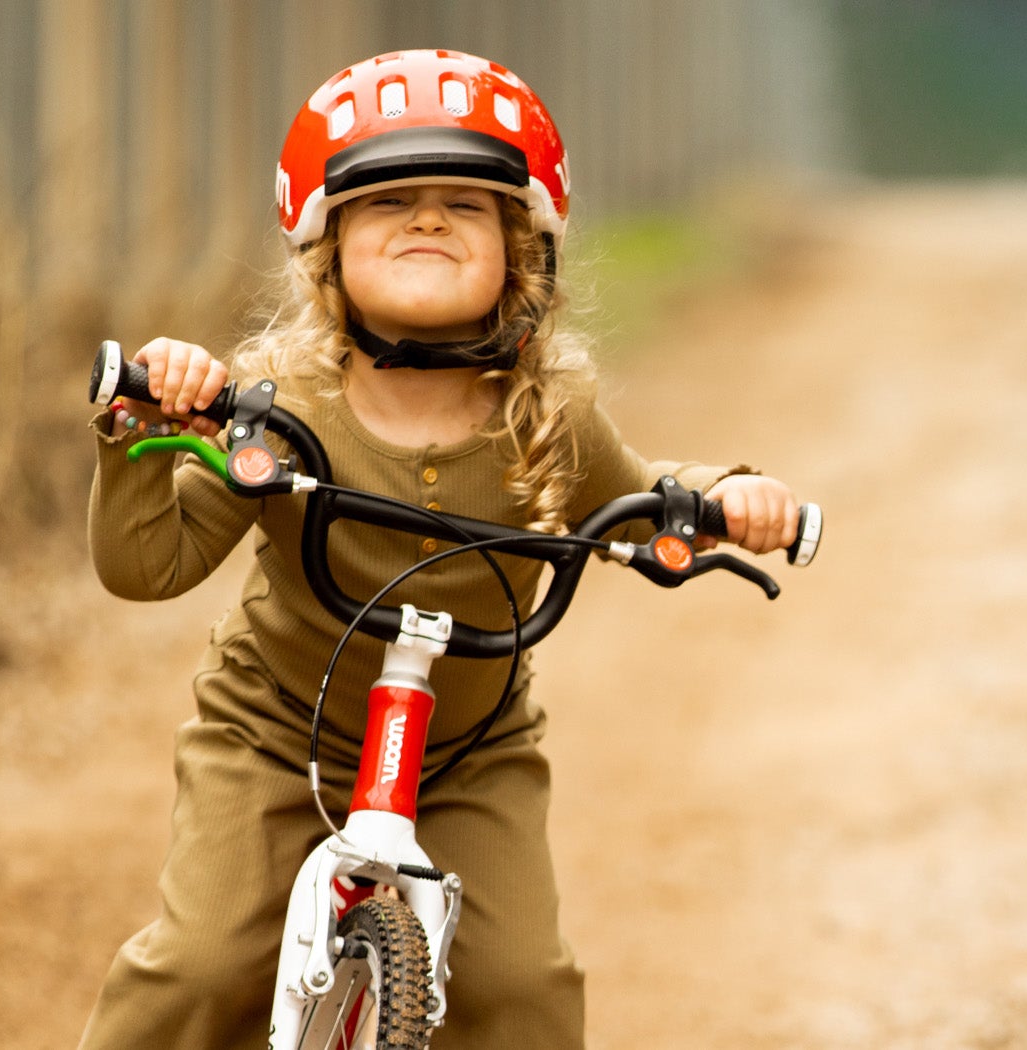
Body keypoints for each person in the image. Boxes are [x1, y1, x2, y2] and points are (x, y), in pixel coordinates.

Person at [77, 50, 800, 1050]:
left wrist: (722, 496)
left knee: (522, 990)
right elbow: (143, 567)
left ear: (523, 250)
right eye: (390, 203)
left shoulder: (546, 416)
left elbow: (632, 498)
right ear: (324, 248)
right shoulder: (274, 407)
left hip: (470, 751)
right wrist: (136, 433)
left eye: (464, 205)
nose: (427, 221)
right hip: (278, 734)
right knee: (196, 968)